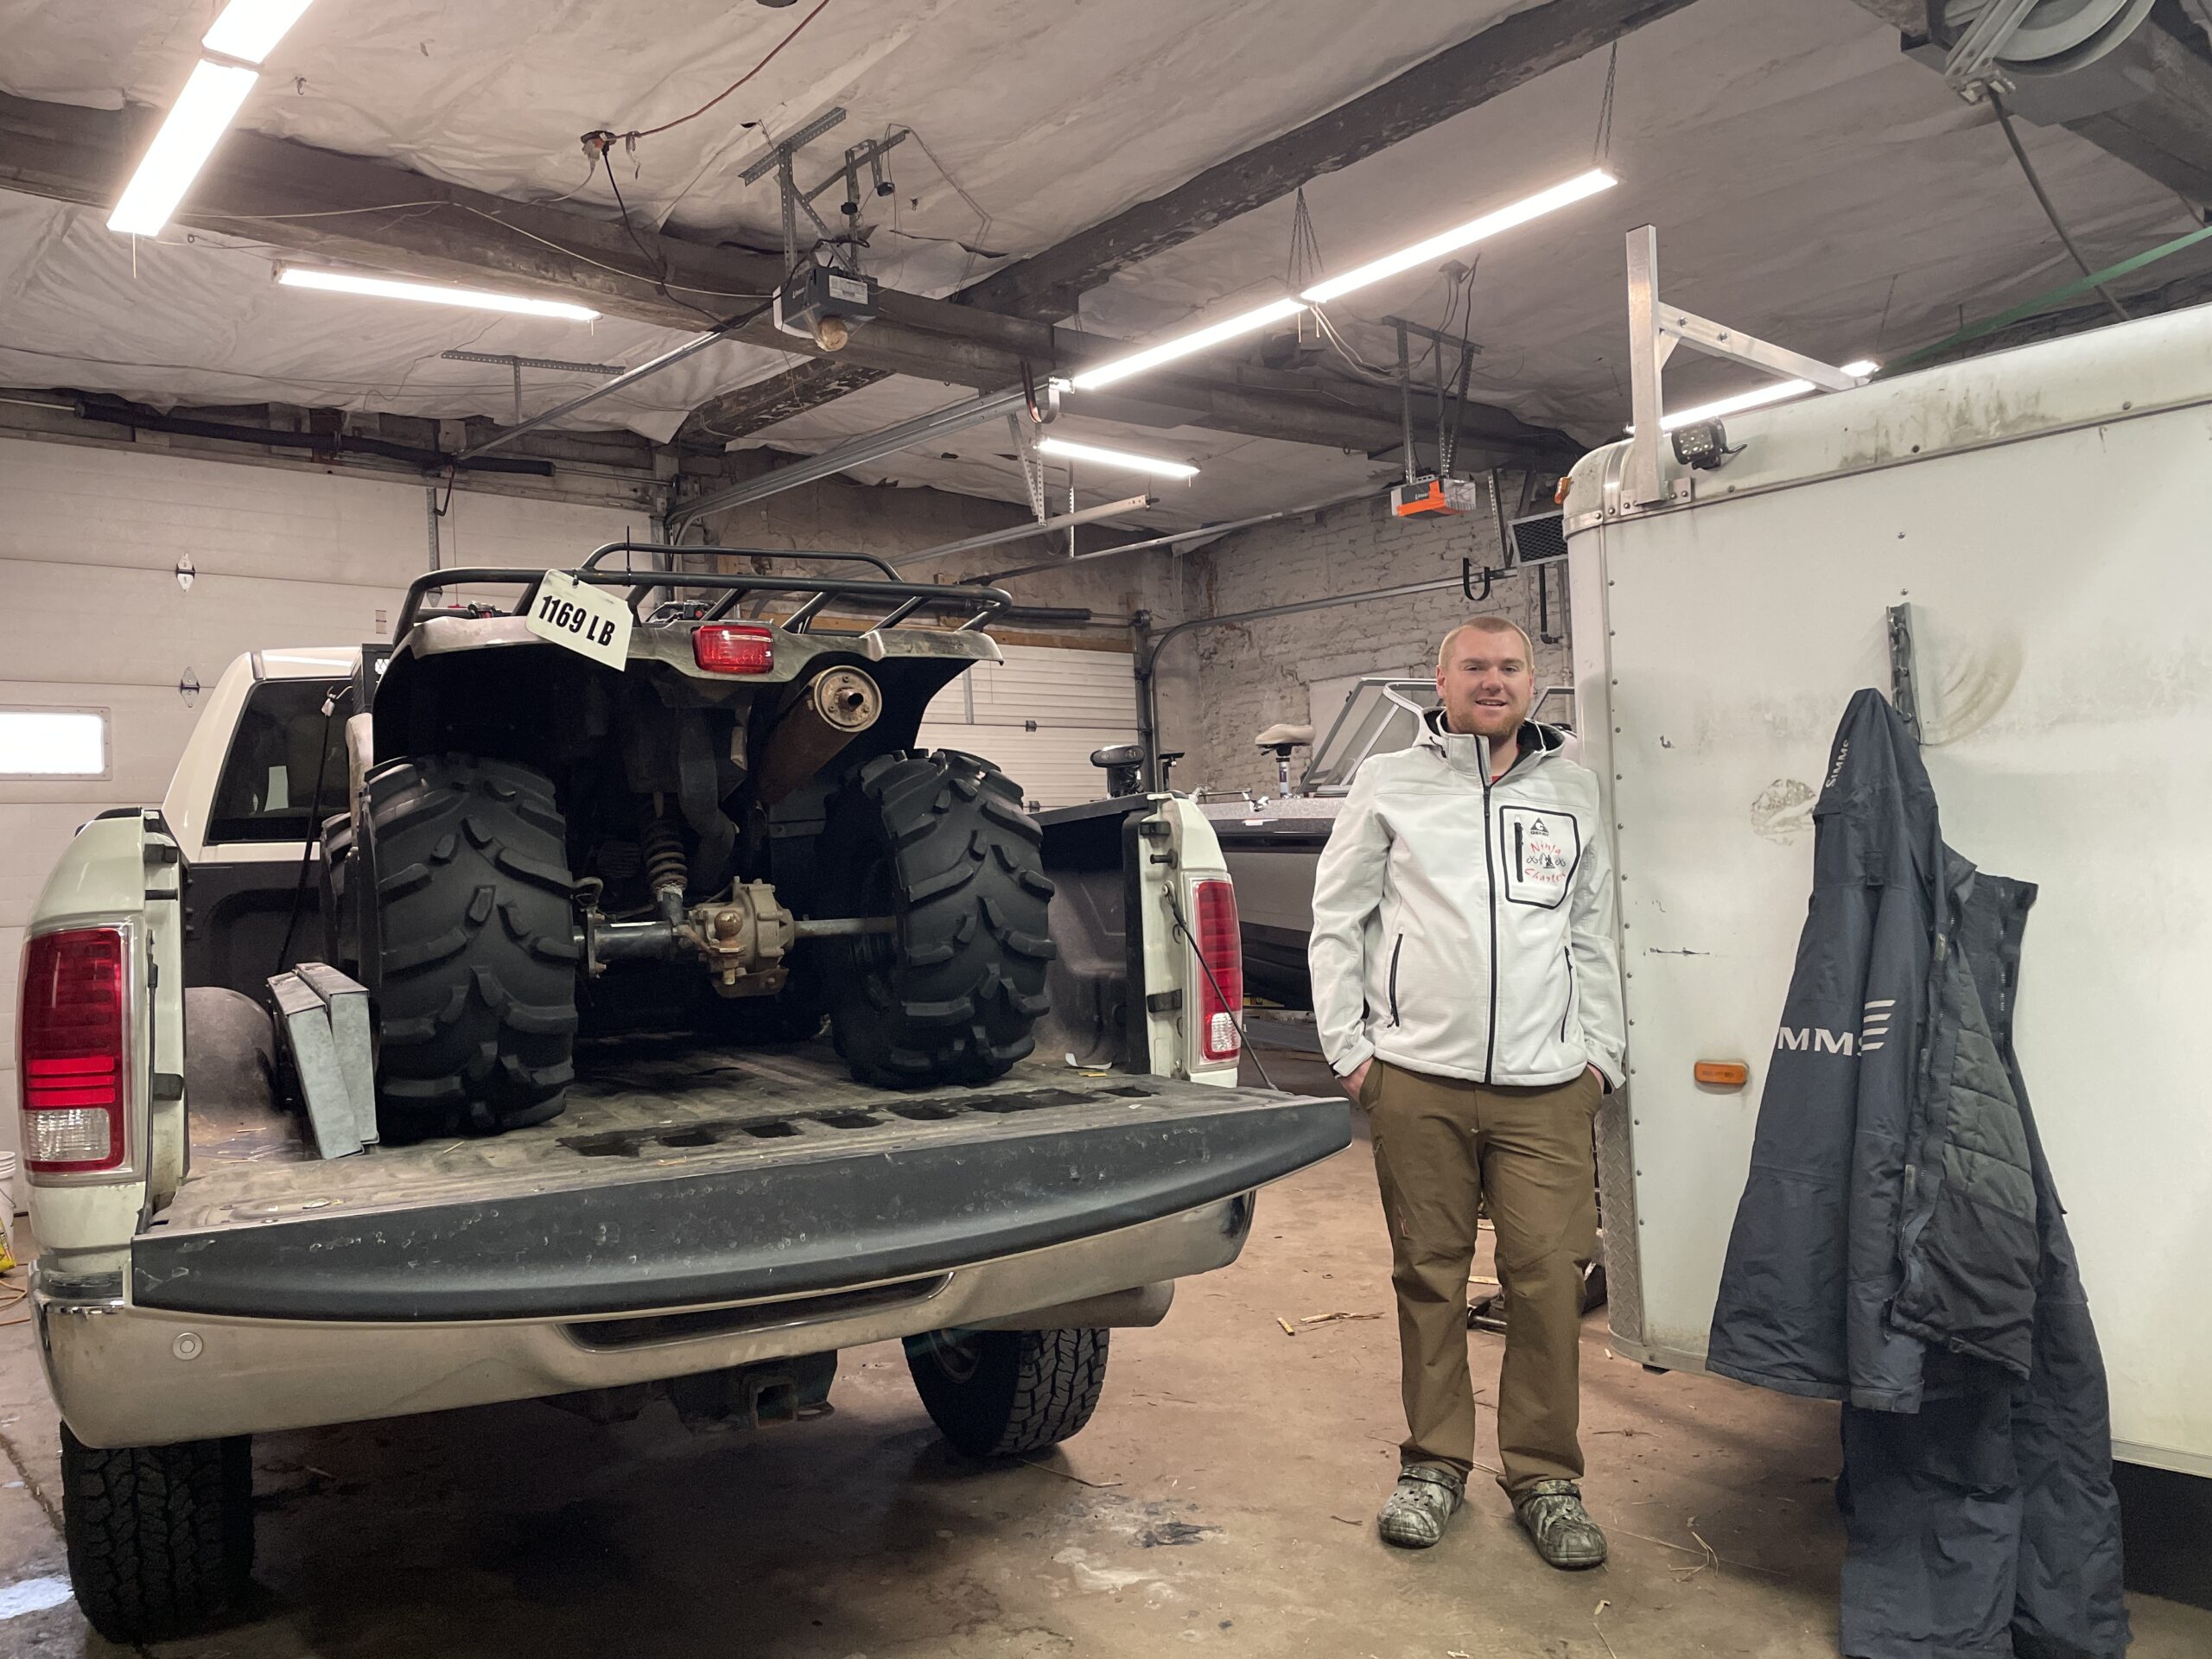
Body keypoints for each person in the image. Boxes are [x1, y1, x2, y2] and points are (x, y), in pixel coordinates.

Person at [1307, 614, 1625, 1567]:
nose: (1493, 681)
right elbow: (1339, 918)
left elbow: (1589, 930)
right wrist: (1351, 1055)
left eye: (1510, 667)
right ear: (1439, 682)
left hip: (1544, 1087)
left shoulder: (1571, 791)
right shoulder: (1390, 781)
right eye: (1474, 667)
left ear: (1534, 681)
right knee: (1429, 1277)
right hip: (1417, 1083)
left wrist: (1598, 1056)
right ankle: (1432, 1465)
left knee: (1546, 1282)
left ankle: (1545, 1479)